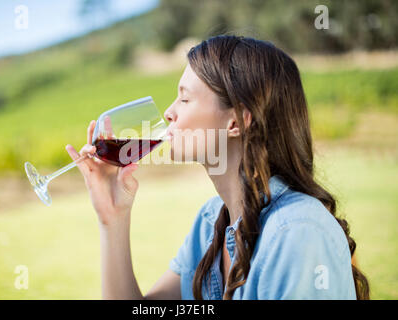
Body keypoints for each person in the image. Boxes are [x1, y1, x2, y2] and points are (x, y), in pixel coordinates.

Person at [65, 35, 369, 300]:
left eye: (184, 99)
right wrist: (113, 218)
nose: (169, 113)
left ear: (236, 120)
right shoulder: (210, 223)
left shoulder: (298, 232)